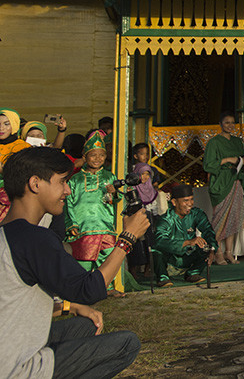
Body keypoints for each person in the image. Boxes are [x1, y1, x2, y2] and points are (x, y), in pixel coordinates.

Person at [1, 146, 149, 379]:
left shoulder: (9, 234)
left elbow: (15, 301)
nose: (68, 191)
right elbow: (89, 289)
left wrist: (71, 307)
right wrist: (127, 240)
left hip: (8, 341)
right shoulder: (35, 238)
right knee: (126, 344)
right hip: (14, 366)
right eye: (62, 182)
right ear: (35, 184)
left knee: (85, 324)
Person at [65, 132, 118, 272]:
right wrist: (72, 223)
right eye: (93, 155)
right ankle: (83, 288)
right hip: (84, 227)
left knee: (108, 258)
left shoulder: (110, 177)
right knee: (84, 260)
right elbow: (68, 202)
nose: (97, 159)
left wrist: (115, 193)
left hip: (106, 225)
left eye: (101, 155)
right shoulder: (75, 179)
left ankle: (108, 287)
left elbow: (118, 200)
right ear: (84, 157)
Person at [152, 184, 217, 287]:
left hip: (189, 255)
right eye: (186, 201)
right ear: (174, 202)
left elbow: (208, 231)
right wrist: (187, 242)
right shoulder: (165, 219)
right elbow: (159, 241)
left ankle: (193, 273)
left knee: (207, 246)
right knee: (156, 250)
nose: (190, 204)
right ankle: (163, 277)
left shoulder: (197, 214)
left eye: (191, 200)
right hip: (171, 259)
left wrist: (212, 249)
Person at [203, 112, 244, 265]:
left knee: (233, 217)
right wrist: (227, 159)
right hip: (221, 182)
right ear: (220, 124)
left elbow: (242, 160)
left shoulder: (237, 141)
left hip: (235, 181)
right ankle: (217, 253)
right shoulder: (214, 142)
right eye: (227, 122)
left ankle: (229, 253)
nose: (230, 125)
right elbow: (208, 165)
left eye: (232, 123)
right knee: (220, 219)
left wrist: (242, 161)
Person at [127, 143, 159, 280]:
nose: (145, 177)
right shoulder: (132, 182)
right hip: (136, 215)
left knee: (150, 241)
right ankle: (133, 271)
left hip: (150, 215)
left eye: (148, 175)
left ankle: (148, 269)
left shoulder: (152, 190)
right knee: (135, 242)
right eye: (142, 174)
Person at [0, 108, 32, 222]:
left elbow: (26, 173)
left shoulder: (23, 148)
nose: (1, 128)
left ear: (14, 125)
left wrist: (4, 170)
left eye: (6, 124)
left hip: (13, 196)